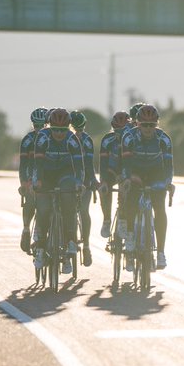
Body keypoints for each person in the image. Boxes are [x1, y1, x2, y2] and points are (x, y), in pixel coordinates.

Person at [119, 104, 174, 270]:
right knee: (132, 201)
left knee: (159, 207)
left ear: (157, 125)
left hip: (156, 173)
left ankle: (161, 252)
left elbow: (169, 166)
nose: (148, 129)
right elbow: (125, 163)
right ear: (138, 124)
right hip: (135, 172)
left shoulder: (164, 139)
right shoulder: (129, 137)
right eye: (145, 125)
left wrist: (168, 183)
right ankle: (130, 236)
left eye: (152, 125)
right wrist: (127, 178)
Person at [32, 108, 84, 274]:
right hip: (46, 174)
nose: (59, 134)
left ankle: (70, 242)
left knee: (68, 203)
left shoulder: (72, 139)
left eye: (63, 130)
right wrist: (37, 181)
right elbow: (38, 163)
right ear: (50, 127)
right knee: (44, 208)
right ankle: (40, 247)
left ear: (68, 128)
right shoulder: (42, 137)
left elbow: (79, 166)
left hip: (65, 174)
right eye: (56, 130)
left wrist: (79, 183)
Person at [18, 107, 49, 253]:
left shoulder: (50, 138)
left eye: (42, 126)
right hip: (30, 174)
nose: (39, 129)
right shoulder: (27, 140)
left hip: (45, 175)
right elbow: (23, 164)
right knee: (30, 200)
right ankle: (26, 229)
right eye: (36, 126)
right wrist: (24, 182)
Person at [69, 110, 97, 267]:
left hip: (84, 181)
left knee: (83, 211)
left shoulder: (87, 141)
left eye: (81, 130)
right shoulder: (66, 140)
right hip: (68, 180)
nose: (78, 133)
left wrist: (93, 181)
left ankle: (86, 246)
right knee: (69, 211)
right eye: (75, 129)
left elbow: (90, 165)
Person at [97, 110, 130, 239]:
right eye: (117, 130)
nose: (120, 134)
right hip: (112, 170)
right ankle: (106, 220)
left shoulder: (132, 138)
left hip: (126, 171)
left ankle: (122, 220)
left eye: (123, 130)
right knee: (104, 188)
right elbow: (103, 163)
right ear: (113, 128)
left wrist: (125, 176)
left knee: (125, 189)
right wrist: (103, 181)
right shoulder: (107, 139)